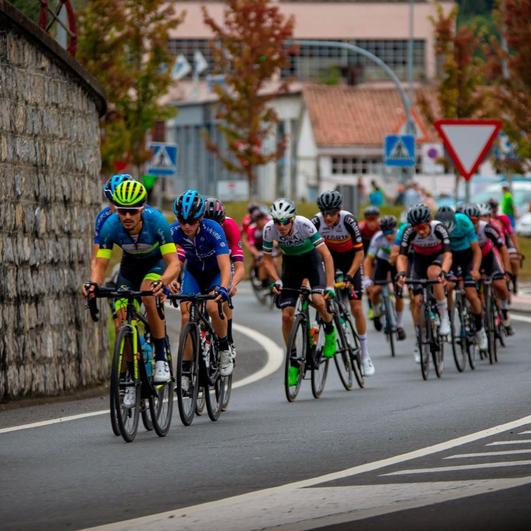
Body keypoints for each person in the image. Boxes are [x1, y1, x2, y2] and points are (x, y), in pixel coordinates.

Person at [84, 181, 180, 406]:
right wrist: (93, 284)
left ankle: (160, 356)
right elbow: (100, 264)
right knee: (120, 321)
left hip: (155, 265)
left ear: (142, 209)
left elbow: (174, 264)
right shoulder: (111, 226)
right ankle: (130, 378)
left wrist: (163, 282)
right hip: (129, 269)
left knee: (148, 294)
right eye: (121, 210)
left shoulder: (156, 221)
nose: (126, 216)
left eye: (132, 211)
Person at [261, 198, 337, 385]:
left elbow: (326, 256)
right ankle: (294, 360)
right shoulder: (269, 229)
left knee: (319, 301)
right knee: (286, 316)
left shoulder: (305, 225)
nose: (281, 226)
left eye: (285, 221)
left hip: (312, 263)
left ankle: (329, 330)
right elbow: (267, 260)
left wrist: (330, 285)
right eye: (277, 221)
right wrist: (276, 280)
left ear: (292, 219)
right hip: (291, 267)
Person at [169, 190, 234, 378]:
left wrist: (223, 287)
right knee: (186, 316)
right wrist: (171, 280)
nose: (186, 226)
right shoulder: (174, 231)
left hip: (215, 273)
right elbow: (170, 261)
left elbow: (224, 264)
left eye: (191, 221)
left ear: (200, 218)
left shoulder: (213, 229)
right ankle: (186, 369)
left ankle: (223, 349)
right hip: (194, 273)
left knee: (213, 307)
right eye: (182, 221)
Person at [312, 191, 375, 376]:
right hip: (328, 259)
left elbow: (360, 254)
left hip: (350, 261)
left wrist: (350, 275)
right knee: (319, 299)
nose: (328, 217)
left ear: (339, 210)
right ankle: (315, 344)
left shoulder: (348, 221)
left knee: (356, 307)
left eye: (331, 213)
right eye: (324, 213)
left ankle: (364, 355)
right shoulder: (316, 222)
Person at [396, 204, 452, 354]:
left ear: (428, 222)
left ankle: (444, 316)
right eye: (416, 228)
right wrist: (401, 273)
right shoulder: (408, 232)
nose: (420, 231)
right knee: (416, 301)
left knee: (433, 273)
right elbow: (401, 256)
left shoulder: (439, 228)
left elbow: (448, 255)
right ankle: (420, 338)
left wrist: (444, 272)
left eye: (422, 227)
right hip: (419, 260)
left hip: (437, 257)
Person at [435, 206, 487, 352]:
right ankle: (449, 321)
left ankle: (480, 330)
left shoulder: (464, 222)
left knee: (471, 293)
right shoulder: (436, 227)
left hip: (467, 256)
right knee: (449, 286)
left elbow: (476, 250)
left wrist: (475, 270)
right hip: (450, 257)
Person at [203, 197, 245, 352]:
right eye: (208, 223)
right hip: (204, 264)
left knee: (222, 296)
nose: (213, 228)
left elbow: (239, 266)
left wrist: (231, 284)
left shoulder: (230, 226)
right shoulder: (194, 226)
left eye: (217, 223)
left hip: (223, 264)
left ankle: (228, 340)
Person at [468, 203, 513, 335]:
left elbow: (502, 249)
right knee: (471, 291)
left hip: (488, 258)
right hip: (472, 259)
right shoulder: (466, 229)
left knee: (500, 284)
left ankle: (504, 311)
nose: (482, 219)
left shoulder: (487, 228)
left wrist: (507, 271)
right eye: (480, 216)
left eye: (485, 216)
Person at [364, 215, 406, 341]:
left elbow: (405, 258)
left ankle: (399, 325)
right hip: (382, 261)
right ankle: (376, 312)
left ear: (395, 229)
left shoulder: (400, 235)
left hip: (396, 262)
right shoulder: (377, 238)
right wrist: (366, 278)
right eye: (385, 232)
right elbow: (369, 259)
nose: (388, 236)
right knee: (375, 290)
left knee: (398, 294)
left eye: (390, 232)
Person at [488, 197, 522, 293]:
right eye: (491, 208)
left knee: (514, 259)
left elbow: (512, 234)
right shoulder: (485, 218)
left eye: (495, 208)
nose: (494, 210)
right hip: (492, 243)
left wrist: (517, 249)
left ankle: (514, 281)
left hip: (504, 241)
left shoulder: (502, 218)